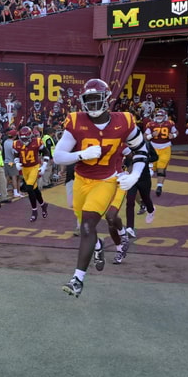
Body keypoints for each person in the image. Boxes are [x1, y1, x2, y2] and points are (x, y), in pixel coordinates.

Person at [53, 79, 149, 297]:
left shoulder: (124, 121)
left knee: (87, 225)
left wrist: (134, 175)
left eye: (98, 99)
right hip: (81, 179)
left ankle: (77, 279)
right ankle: (97, 245)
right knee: (84, 225)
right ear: (83, 101)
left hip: (106, 180)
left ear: (107, 99)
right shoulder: (75, 121)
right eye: (89, 100)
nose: (94, 104)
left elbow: (142, 151)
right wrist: (80, 155)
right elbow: (58, 155)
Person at [13, 126, 49, 222]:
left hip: (34, 167)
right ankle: (43, 205)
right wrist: (16, 162)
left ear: (30, 136)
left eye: (26, 138)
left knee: (28, 187)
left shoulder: (37, 141)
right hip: (25, 169)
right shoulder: (16, 143)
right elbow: (16, 155)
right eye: (22, 138)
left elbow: (46, 152)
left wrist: (44, 165)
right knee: (35, 189)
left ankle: (34, 211)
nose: (24, 140)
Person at [144, 108, 177, 197]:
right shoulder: (151, 124)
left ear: (164, 116)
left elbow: (176, 132)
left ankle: (159, 186)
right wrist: (151, 135)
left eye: (161, 115)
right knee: (151, 169)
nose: (159, 117)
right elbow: (145, 136)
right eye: (158, 115)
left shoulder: (170, 123)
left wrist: (173, 135)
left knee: (161, 168)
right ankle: (146, 186)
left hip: (165, 147)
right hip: (153, 148)